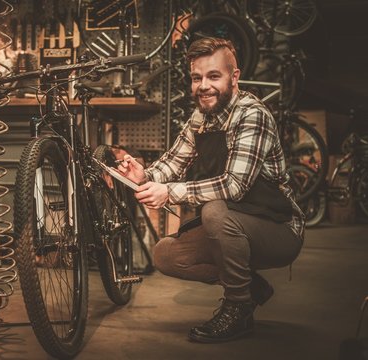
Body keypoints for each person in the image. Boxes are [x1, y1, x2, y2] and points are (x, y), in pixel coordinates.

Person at [117, 37, 304, 343]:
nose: (203, 85)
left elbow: (234, 184)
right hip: (238, 221)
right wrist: (144, 175)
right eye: (196, 78)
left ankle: (238, 308)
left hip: (279, 229)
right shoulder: (201, 118)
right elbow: (172, 163)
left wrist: (169, 193)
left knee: (215, 211)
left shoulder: (252, 114)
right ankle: (250, 288)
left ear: (234, 77)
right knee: (166, 255)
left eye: (213, 76)